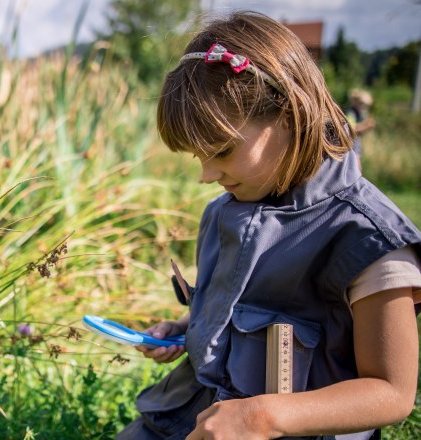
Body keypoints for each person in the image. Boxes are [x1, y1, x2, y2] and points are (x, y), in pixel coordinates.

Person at [118, 11, 421, 440]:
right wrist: (184, 331)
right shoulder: (225, 212)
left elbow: (392, 392)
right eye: (197, 156)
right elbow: (241, 310)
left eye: (221, 151)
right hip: (187, 419)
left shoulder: (367, 240)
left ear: (289, 114)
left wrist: (261, 416)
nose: (206, 175)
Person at [345, 89, 377, 168]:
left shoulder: (361, 114)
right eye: (362, 104)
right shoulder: (351, 113)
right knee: (356, 167)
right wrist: (365, 125)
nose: (364, 107)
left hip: (356, 143)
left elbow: (359, 133)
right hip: (349, 144)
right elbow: (351, 129)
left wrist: (367, 127)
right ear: (357, 102)